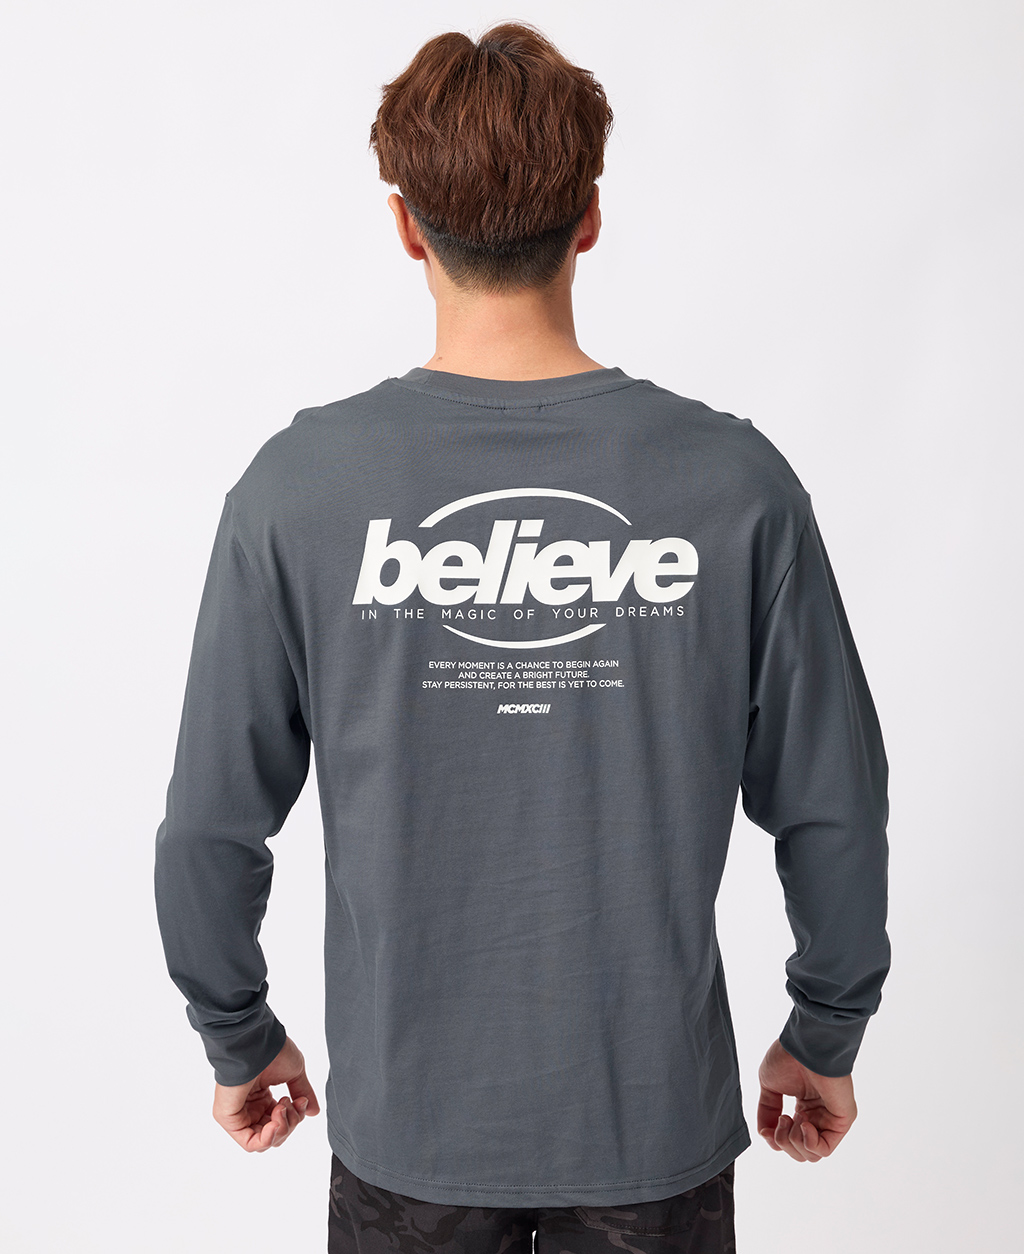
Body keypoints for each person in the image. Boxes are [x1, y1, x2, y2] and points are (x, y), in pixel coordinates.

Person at [154, 21, 890, 1254]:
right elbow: (836, 805)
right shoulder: (734, 485)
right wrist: (824, 1033)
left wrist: (239, 1037)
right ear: (589, 217)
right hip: (651, 1125)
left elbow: (208, 826)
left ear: (406, 226)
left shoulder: (299, 491)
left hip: (410, 1132)